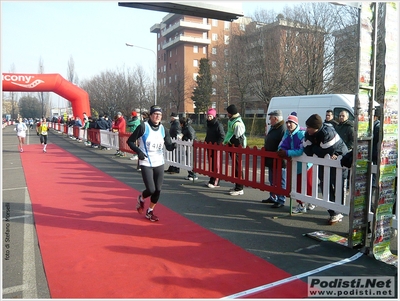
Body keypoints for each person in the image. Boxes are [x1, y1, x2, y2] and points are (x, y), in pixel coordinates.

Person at [126, 105, 176, 222]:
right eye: (155, 114)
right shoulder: (143, 127)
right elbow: (130, 141)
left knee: (158, 190)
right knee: (151, 189)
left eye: (159, 114)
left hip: (159, 161)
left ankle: (150, 211)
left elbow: (168, 146)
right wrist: (139, 152)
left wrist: (172, 146)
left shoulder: (164, 129)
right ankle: (141, 197)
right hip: (146, 161)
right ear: (151, 115)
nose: (157, 116)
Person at [303, 113, 348, 225]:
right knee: (324, 185)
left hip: (340, 160)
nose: (307, 129)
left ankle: (339, 211)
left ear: (316, 128)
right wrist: (316, 149)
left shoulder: (327, 133)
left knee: (338, 186)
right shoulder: (308, 134)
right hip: (324, 163)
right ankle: (332, 212)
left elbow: (326, 152)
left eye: (309, 127)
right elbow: (307, 150)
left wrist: (314, 148)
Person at [277, 112, 313, 213]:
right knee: (297, 186)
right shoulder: (287, 133)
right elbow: (282, 144)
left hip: (306, 164)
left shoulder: (301, 134)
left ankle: (309, 201)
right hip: (295, 165)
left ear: (296, 123)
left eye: (291, 122)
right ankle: (301, 204)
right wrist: (281, 150)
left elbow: (301, 150)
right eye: (287, 122)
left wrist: (287, 152)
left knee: (308, 185)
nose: (288, 125)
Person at [262, 109, 287, 208]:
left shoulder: (282, 128)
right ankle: (273, 196)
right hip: (271, 158)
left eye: (271, 117)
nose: (269, 119)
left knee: (280, 180)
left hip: (279, 159)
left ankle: (281, 199)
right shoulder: (274, 127)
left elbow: (283, 143)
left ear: (275, 118)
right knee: (272, 179)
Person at [222, 104, 247, 196]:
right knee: (236, 166)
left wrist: (229, 142)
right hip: (232, 146)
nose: (227, 114)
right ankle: (237, 185)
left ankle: (240, 188)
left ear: (231, 113)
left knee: (238, 166)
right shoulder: (232, 120)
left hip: (236, 147)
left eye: (228, 112)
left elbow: (237, 137)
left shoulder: (237, 123)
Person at [204, 108, 225, 188]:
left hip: (216, 147)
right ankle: (211, 179)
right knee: (211, 164)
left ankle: (216, 180)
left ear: (214, 116)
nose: (209, 118)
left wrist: (217, 144)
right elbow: (208, 135)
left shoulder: (218, 125)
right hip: (209, 146)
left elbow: (222, 136)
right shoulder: (209, 124)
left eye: (210, 116)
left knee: (216, 164)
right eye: (208, 116)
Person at [336, 109, 354, 189]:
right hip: (338, 151)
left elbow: (353, 141)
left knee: (345, 172)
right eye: (340, 116)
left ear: (347, 117)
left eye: (343, 116)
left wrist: (346, 148)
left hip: (346, 151)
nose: (341, 117)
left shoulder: (350, 127)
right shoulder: (338, 126)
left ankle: (346, 186)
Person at [179, 116, 198, 181]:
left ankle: (193, 175)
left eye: (180, 123)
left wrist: (184, 139)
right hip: (187, 145)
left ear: (182, 123)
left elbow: (192, 137)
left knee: (190, 160)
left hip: (190, 146)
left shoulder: (188, 128)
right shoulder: (185, 128)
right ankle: (190, 174)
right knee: (188, 160)